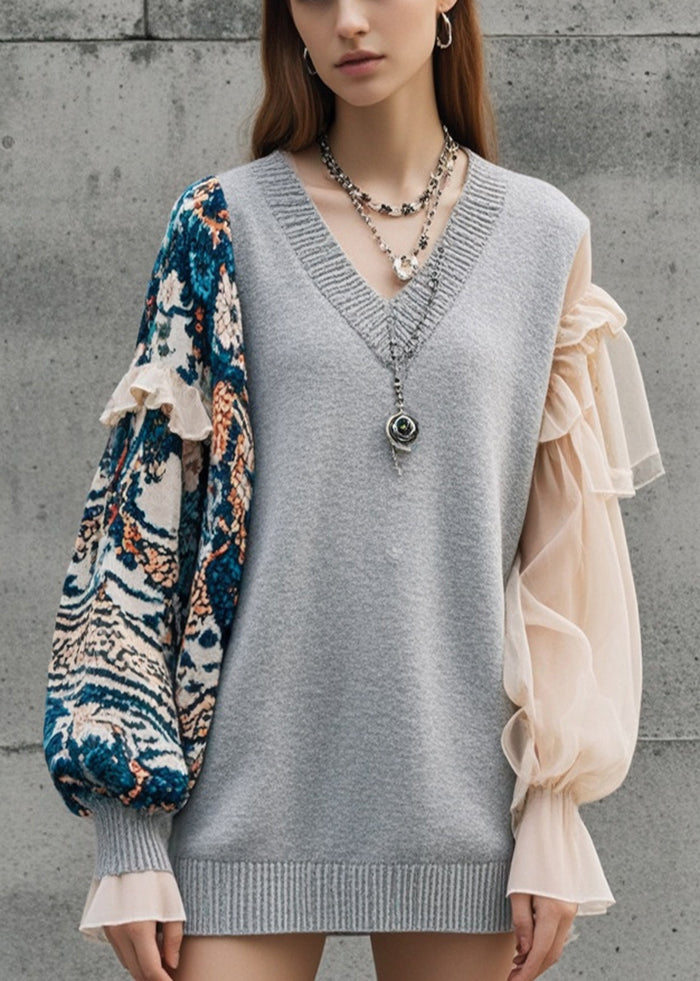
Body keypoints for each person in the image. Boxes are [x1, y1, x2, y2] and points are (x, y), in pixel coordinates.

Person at [42, 1, 665, 979]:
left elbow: (564, 557)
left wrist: (553, 809)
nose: (350, 22)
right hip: (238, 811)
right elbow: (134, 537)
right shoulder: (217, 226)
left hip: (465, 818)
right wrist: (127, 836)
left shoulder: (546, 236)